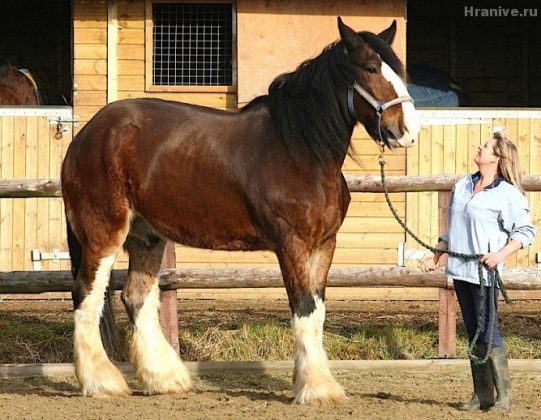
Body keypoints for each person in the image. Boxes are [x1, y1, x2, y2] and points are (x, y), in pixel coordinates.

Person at [420, 129, 536, 411]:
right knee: (472, 330)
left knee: (488, 331)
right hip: (460, 271)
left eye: (485, 146)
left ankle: (504, 397)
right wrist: (437, 254)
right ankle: (482, 395)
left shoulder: (507, 194)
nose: (479, 148)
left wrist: (500, 255)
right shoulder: (462, 185)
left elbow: (525, 232)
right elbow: (453, 230)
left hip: (484, 275)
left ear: (497, 158)